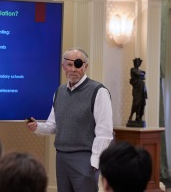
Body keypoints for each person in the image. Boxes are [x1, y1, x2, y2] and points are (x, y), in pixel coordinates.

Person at [26, 47, 113, 192]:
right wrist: (37, 127)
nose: (73, 69)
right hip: (61, 158)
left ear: (85, 66)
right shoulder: (59, 92)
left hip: (85, 159)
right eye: (69, 64)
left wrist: (94, 163)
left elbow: (104, 132)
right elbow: (53, 125)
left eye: (78, 64)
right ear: (63, 66)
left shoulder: (98, 92)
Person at [129, 58, 148, 122]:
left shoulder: (140, 71)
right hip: (137, 88)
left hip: (142, 87)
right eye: (136, 62)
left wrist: (142, 74)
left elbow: (143, 76)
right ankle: (131, 115)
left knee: (141, 102)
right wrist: (142, 74)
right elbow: (139, 74)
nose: (137, 64)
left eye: (138, 63)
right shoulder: (133, 69)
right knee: (136, 102)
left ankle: (138, 116)